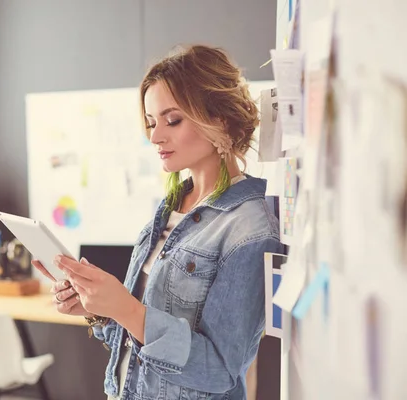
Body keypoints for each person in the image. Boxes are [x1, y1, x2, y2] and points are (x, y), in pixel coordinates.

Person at [32, 44, 283, 400]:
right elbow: (139, 342)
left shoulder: (250, 230)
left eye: (172, 120)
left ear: (220, 118)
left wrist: (127, 309)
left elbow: (220, 371)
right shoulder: (171, 207)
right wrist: (99, 309)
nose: (155, 136)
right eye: (151, 123)